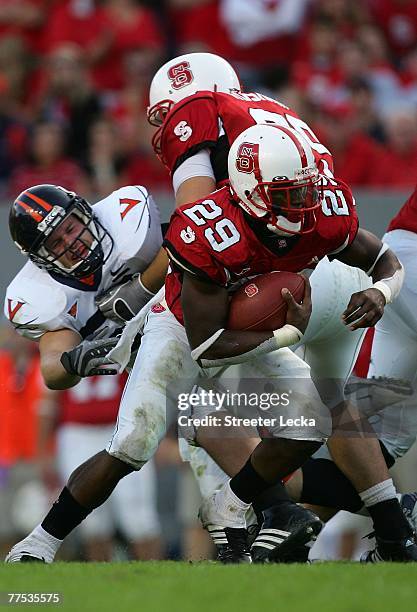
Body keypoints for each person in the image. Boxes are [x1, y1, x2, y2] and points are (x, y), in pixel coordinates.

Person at [146, 52, 416, 562]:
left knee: (202, 409)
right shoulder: (279, 120)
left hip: (276, 291)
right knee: (334, 405)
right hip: (336, 273)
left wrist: (139, 296)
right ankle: (393, 526)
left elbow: (196, 215)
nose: (164, 127)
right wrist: (378, 290)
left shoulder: (199, 113)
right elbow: (360, 243)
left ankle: (261, 517)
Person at [4, 182, 164, 563]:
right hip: (151, 371)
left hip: (184, 331)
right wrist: (75, 362)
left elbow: (180, 251)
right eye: (56, 243)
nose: (72, 242)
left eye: (71, 227)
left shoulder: (127, 219)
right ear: (40, 259)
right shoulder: (41, 296)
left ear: (85, 212)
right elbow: (52, 369)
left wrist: (140, 289)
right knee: (135, 446)